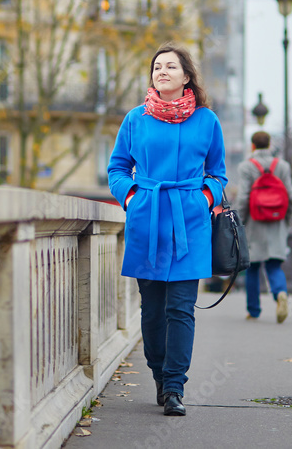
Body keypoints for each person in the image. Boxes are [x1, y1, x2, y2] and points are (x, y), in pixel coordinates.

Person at [107, 42, 226, 417]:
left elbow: (218, 173)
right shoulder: (135, 119)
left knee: (181, 308)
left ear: (187, 76)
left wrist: (204, 198)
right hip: (148, 220)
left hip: (190, 222)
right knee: (153, 311)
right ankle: (159, 374)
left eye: (171, 66)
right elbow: (117, 168)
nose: (162, 71)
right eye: (157, 66)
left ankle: (175, 386)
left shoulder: (207, 121)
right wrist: (131, 198)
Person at [235, 131, 292, 323]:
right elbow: (291, 196)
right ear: (269, 145)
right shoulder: (282, 166)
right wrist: (286, 221)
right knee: (274, 265)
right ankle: (280, 293)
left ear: (252, 146)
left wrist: (239, 223)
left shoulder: (246, 167)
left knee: (252, 267)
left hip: (254, 223)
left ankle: (253, 310)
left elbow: (244, 198)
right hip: (277, 222)